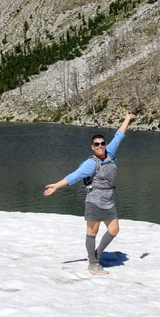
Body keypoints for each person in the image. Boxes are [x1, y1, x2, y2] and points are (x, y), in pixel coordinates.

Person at [44, 113, 137, 275]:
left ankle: (96, 255)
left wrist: (128, 118)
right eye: (97, 144)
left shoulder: (110, 153)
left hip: (108, 200)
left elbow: (119, 135)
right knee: (92, 233)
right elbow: (74, 176)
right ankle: (93, 264)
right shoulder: (90, 163)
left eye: (102, 143)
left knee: (114, 229)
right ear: (92, 147)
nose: (100, 146)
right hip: (94, 200)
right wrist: (56, 186)